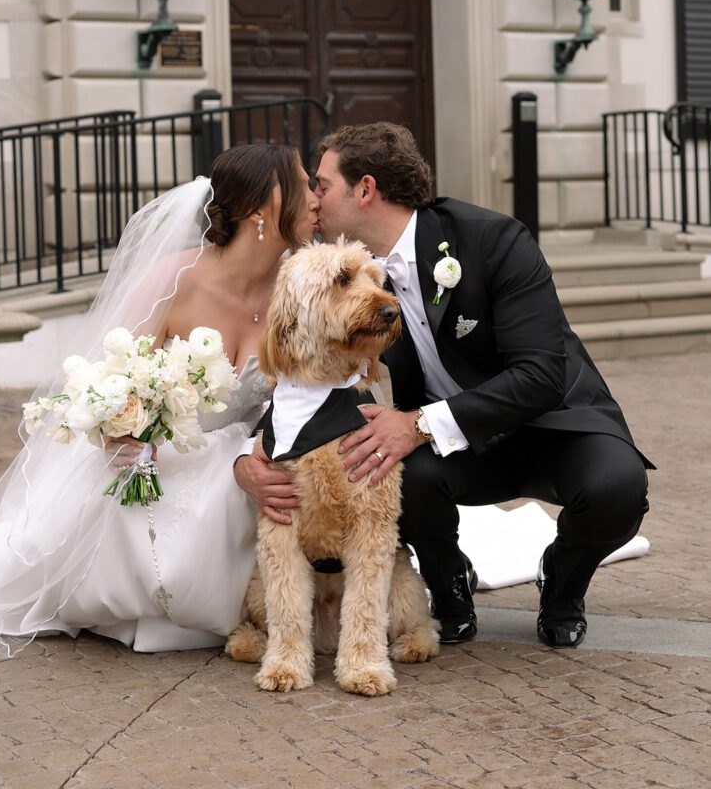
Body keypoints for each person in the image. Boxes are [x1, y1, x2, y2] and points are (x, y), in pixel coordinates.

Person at [0, 144, 320, 657]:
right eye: (302, 183)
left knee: (245, 493)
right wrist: (120, 424)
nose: (316, 197)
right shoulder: (176, 278)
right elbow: (109, 377)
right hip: (155, 456)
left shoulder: (299, 286)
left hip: (243, 457)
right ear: (260, 209)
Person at [241, 122, 652, 649]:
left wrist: (416, 423)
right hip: (450, 447)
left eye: (322, 185)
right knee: (382, 466)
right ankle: (449, 587)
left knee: (617, 490)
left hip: (553, 426)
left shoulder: (494, 240)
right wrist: (254, 451)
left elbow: (542, 374)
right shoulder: (344, 279)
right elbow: (304, 372)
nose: (313, 201)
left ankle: (563, 583)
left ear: (365, 189)